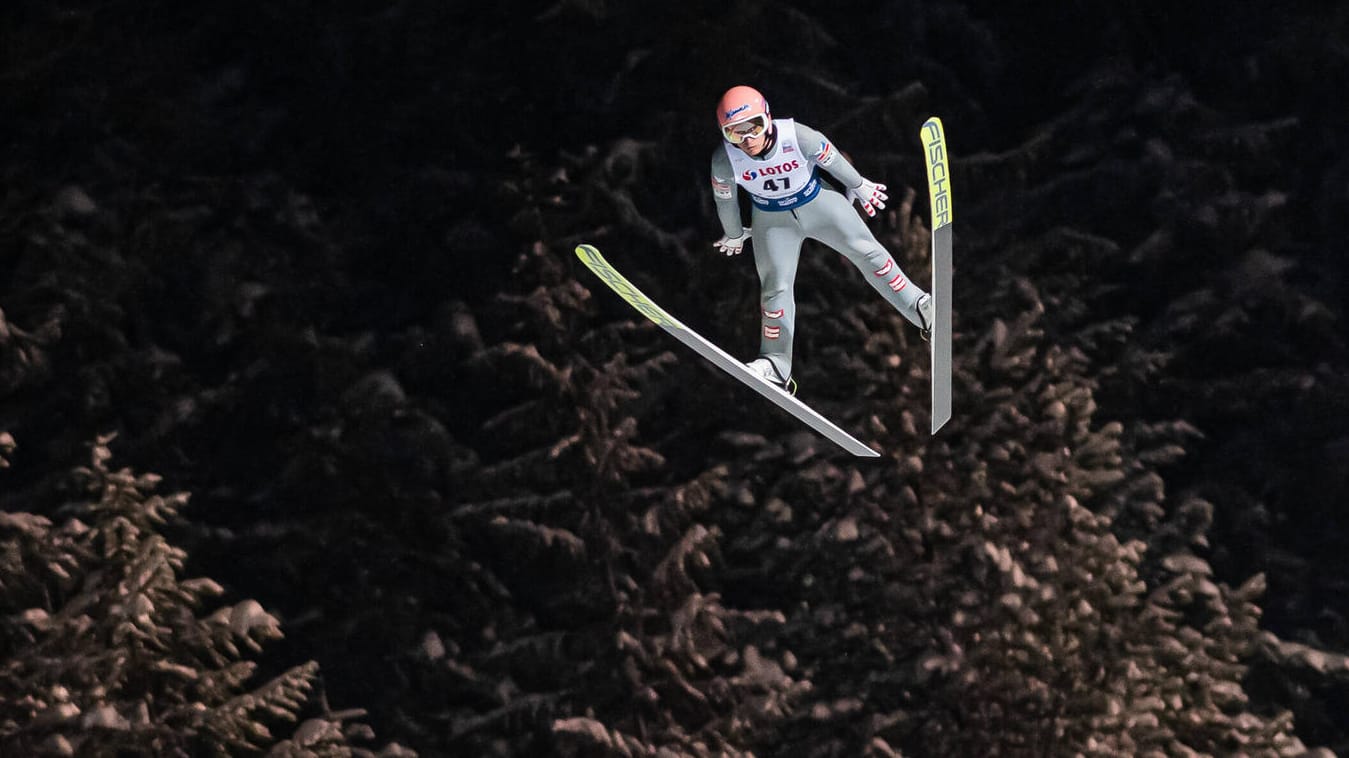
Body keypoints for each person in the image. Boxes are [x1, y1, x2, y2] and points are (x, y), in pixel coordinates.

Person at [710, 85, 932, 392]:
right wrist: (734, 234)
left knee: (869, 254)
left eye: (754, 127)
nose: (747, 140)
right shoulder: (725, 160)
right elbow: (725, 200)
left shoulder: (798, 137)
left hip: (818, 203)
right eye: (735, 134)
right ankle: (775, 364)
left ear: (768, 118)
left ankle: (920, 307)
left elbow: (832, 160)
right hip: (772, 221)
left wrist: (860, 184)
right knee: (776, 287)